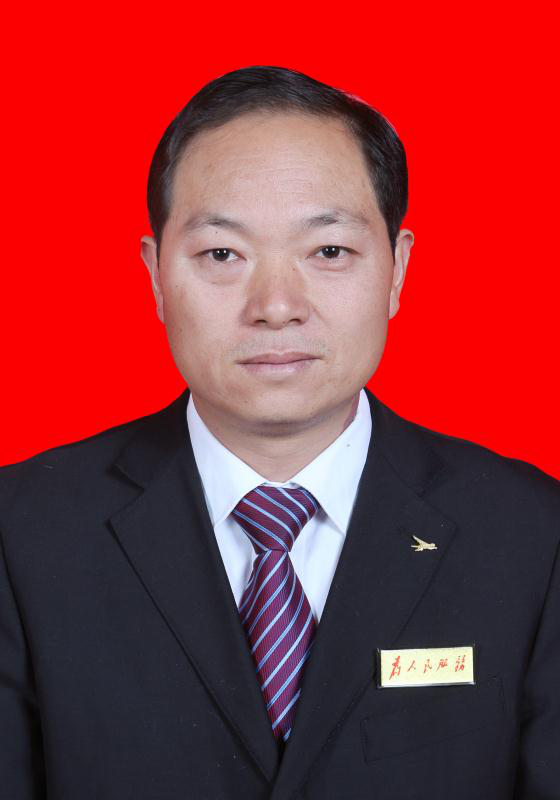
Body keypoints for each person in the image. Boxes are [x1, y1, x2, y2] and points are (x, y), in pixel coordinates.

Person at [0, 65, 558, 800]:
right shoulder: (22, 533)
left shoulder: (532, 534)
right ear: (156, 275)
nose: (275, 305)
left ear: (397, 269)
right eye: (222, 255)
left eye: (329, 252)